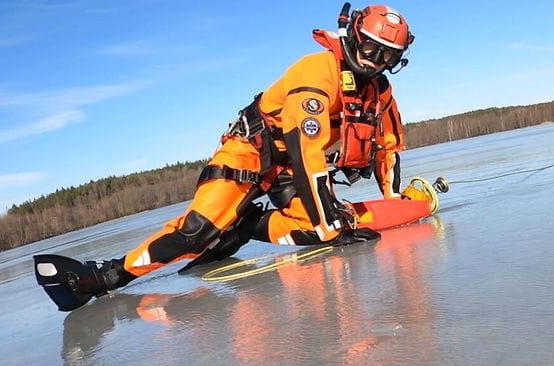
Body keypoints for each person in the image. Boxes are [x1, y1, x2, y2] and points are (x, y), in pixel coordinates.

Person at [69, 4, 418, 301]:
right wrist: (331, 228)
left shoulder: (379, 92)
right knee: (194, 235)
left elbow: (388, 146)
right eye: (372, 50)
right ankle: (107, 276)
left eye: (389, 57)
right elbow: (306, 152)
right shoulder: (317, 71)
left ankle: (247, 225)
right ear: (355, 36)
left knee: (324, 225)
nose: (376, 62)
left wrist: (394, 199)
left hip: (284, 167)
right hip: (249, 153)